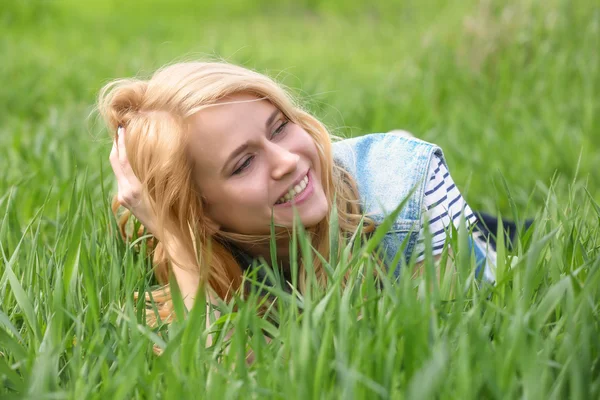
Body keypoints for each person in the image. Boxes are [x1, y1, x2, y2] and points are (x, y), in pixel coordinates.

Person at [99, 61, 497, 321]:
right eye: (243, 163)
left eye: (279, 127)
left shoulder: (405, 189)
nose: (285, 159)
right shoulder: (208, 242)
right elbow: (224, 378)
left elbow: (434, 338)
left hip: (392, 202)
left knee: (497, 232)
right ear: (204, 213)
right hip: (300, 198)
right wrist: (176, 236)